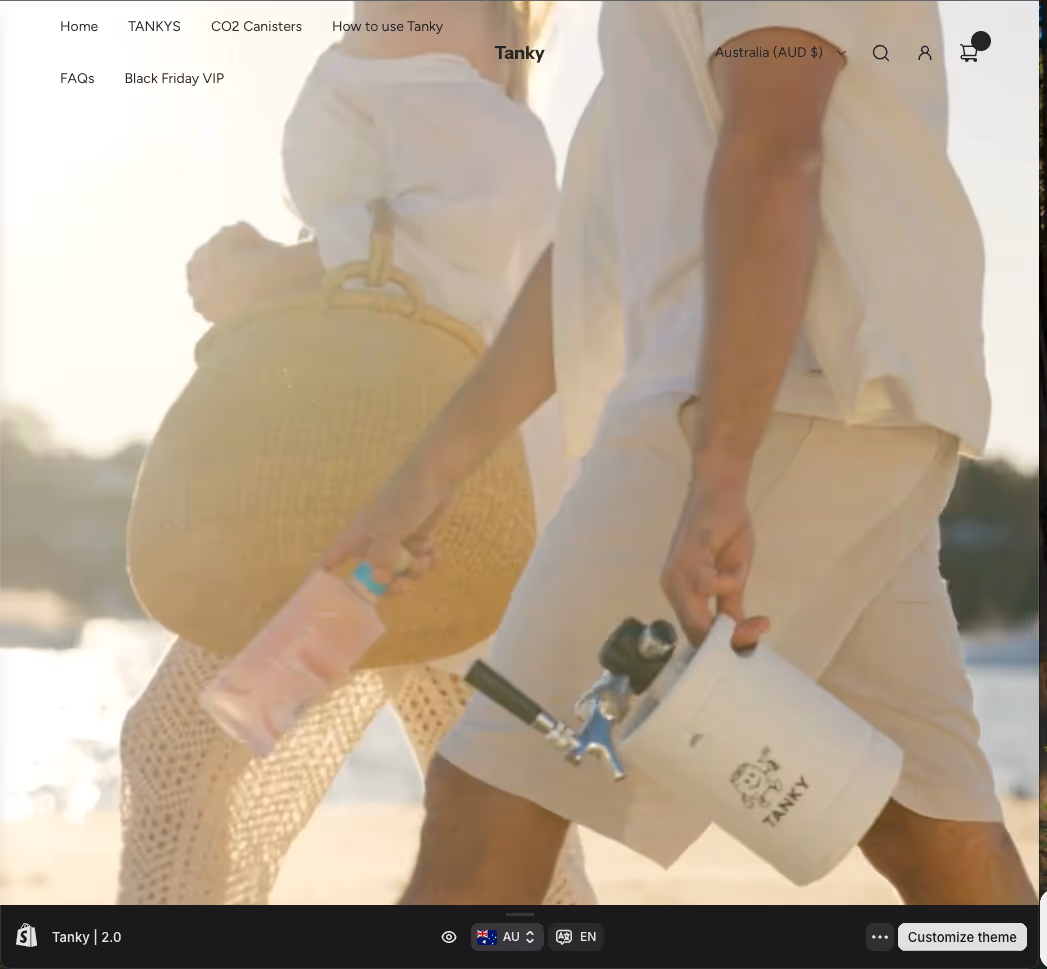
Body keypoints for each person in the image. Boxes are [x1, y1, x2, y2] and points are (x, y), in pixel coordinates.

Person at [324, 1, 1036, 904]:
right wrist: (416, 487)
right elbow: (588, 269)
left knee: (486, 802)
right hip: (808, 418)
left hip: (762, 408)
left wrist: (722, 467)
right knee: (932, 833)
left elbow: (777, 152)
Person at [117, 0, 595, 905]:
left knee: (183, 752)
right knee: (492, 810)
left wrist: (273, 276)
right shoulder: (456, 29)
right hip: (421, 487)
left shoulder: (431, 19)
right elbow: (432, 233)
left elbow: (480, 212)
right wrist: (284, 258)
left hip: (392, 502)